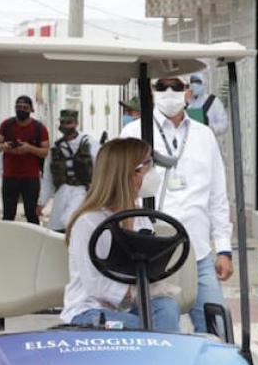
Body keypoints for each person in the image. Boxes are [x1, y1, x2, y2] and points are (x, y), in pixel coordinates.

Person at [120, 76, 234, 333]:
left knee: (217, 327)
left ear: (188, 92)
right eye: (162, 86)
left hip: (198, 251)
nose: (169, 92)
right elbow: (120, 191)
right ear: (152, 91)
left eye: (176, 86)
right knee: (160, 327)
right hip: (151, 251)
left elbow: (217, 195)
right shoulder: (133, 133)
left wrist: (224, 249)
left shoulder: (204, 136)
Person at [61, 138, 180, 331]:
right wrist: (137, 292)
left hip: (128, 309)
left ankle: (161, 352)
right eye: (147, 167)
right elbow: (95, 284)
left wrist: (155, 287)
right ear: (127, 174)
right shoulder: (89, 222)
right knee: (147, 329)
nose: (153, 174)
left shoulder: (141, 218)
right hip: (90, 311)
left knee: (167, 308)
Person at [38, 109, 99, 233]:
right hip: (62, 193)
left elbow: (102, 169)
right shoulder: (55, 148)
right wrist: (42, 202)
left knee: (74, 224)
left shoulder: (90, 144)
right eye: (63, 122)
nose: (66, 126)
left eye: (69, 122)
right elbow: (48, 178)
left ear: (76, 123)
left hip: (84, 193)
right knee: (56, 228)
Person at [0, 95, 50, 224]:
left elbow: (45, 152)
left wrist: (29, 148)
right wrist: (4, 146)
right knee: (8, 214)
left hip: (30, 178)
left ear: (31, 109)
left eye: (25, 108)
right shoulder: (6, 125)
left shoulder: (39, 128)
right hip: (10, 176)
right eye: (18, 107)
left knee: (31, 214)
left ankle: (34, 242)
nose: (21, 110)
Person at [186, 72, 229, 138]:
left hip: (207, 141)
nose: (194, 84)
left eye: (198, 82)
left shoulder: (213, 101)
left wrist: (211, 128)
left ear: (204, 83)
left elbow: (224, 124)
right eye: (192, 82)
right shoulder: (184, 102)